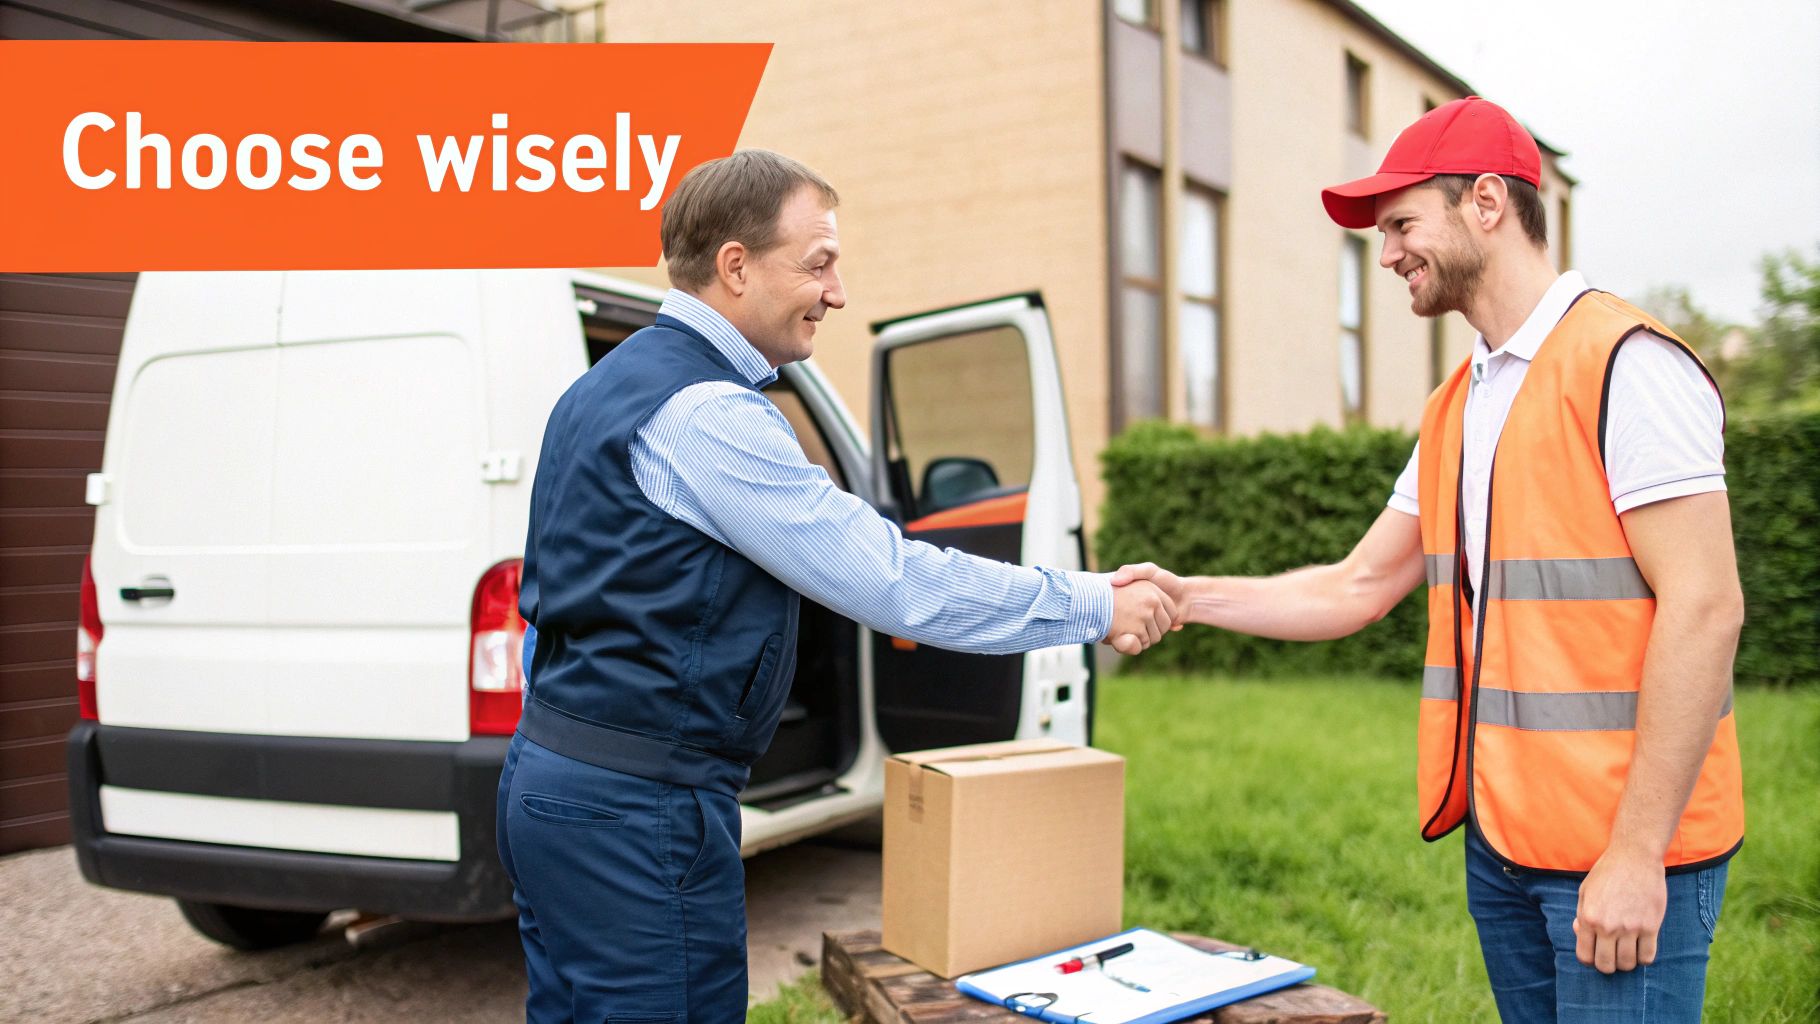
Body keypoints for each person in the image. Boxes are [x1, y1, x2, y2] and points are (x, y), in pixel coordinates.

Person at [499, 149, 1177, 1022]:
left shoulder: (596, 390)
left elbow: (558, 607)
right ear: (736, 266)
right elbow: (895, 584)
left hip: (552, 779)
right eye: (818, 264)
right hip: (639, 810)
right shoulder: (712, 416)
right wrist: (1094, 602)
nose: (839, 291)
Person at [1113, 97, 1744, 1023]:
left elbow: (1707, 608)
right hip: (1504, 848)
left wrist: (1637, 853)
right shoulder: (1461, 401)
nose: (1388, 252)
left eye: (1403, 223)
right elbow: (1357, 583)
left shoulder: (1626, 364)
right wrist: (1185, 596)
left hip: (1621, 853)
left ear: (1486, 203)